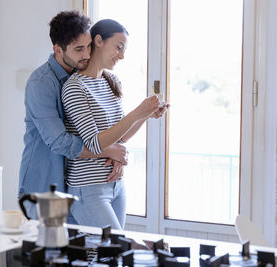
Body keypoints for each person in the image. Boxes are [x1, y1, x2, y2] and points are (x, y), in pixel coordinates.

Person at [18, 11, 128, 222]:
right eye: (79, 49)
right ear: (58, 50)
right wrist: (109, 151)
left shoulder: (85, 78)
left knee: (85, 253)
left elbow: (107, 126)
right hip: (45, 185)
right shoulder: (41, 83)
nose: (87, 54)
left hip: (74, 183)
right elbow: (60, 142)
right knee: (50, 252)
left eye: (88, 46)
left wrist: (116, 153)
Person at [61, 19, 169, 229]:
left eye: (124, 50)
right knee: (116, 252)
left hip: (116, 185)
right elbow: (95, 143)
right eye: (118, 47)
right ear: (99, 41)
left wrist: (146, 115)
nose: (121, 55)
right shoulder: (74, 88)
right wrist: (138, 111)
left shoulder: (111, 81)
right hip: (88, 188)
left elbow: (121, 136)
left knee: (108, 256)